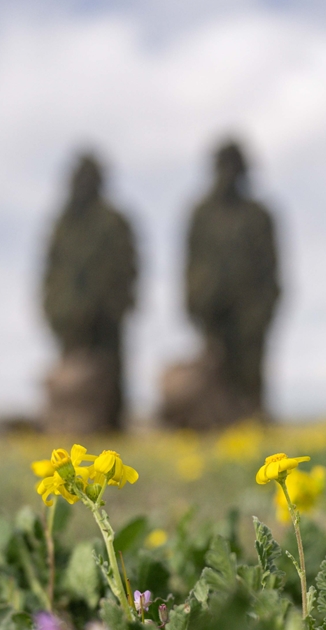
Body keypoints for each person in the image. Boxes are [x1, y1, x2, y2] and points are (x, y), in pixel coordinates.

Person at [160, 140, 280, 429]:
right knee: (213, 377)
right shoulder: (201, 214)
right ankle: (217, 432)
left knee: (249, 379)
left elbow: (271, 269)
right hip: (211, 312)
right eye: (222, 167)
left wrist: (261, 311)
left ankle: (253, 434)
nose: (227, 174)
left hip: (250, 314)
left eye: (233, 167)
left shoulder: (257, 216)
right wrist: (195, 302)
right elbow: (190, 263)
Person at [42, 152, 138, 433]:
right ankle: (69, 429)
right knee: (74, 379)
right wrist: (55, 308)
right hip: (69, 318)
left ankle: (113, 429)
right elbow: (52, 271)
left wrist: (112, 306)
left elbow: (127, 268)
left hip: (106, 317)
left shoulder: (113, 222)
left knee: (109, 376)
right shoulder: (63, 224)